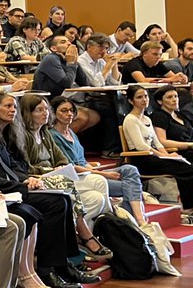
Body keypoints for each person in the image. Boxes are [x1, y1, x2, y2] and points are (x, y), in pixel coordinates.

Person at [0, 91, 97, 288]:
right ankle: (47, 270)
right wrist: (21, 186)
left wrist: (27, 178)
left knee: (63, 197)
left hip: (13, 185)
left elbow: (11, 163)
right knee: (54, 203)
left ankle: (63, 264)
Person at [18, 93, 113, 252]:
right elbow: (26, 166)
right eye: (39, 110)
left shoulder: (45, 132)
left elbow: (61, 159)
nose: (45, 113)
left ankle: (99, 227)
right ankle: (84, 235)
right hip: (38, 178)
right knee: (79, 186)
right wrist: (50, 169)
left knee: (98, 188)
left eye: (46, 109)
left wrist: (59, 167)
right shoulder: (23, 136)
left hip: (56, 174)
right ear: (28, 113)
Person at [49, 95, 148, 226]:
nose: (69, 114)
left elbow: (82, 160)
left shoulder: (71, 133)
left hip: (88, 171)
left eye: (71, 110)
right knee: (130, 187)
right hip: (78, 178)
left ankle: (132, 220)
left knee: (130, 169)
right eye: (64, 111)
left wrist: (92, 166)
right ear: (54, 113)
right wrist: (105, 174)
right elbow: (70, 167)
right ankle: (136, 221)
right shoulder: (53, 136)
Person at [122, 84, 193, 215]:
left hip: (155, 155)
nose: (144, 99)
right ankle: (188, 207)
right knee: (188, 169)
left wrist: (169, 155)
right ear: (131, 101)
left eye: (145, 96)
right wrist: (162, 156)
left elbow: (157, 143)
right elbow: (141, 146)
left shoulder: (147, 118)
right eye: (139, 97)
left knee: (185, 164)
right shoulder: (130, 119)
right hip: (142, 159)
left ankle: (188, 204)